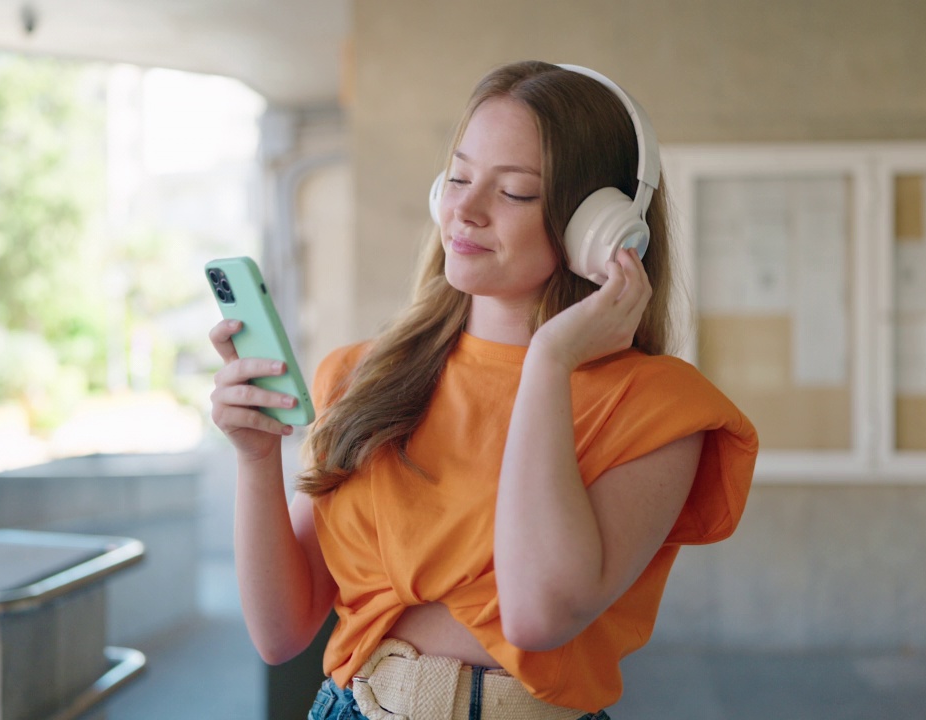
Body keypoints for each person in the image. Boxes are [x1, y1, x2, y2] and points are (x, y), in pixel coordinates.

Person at [209, 60, 757, 720]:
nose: (464, 210)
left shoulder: (659, 408)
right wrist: (254, 457)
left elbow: (537, 617)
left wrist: (549, 363)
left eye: (515, 192)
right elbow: (281, 634)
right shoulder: (362, 376)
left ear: (598, 229)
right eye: (460, 177)